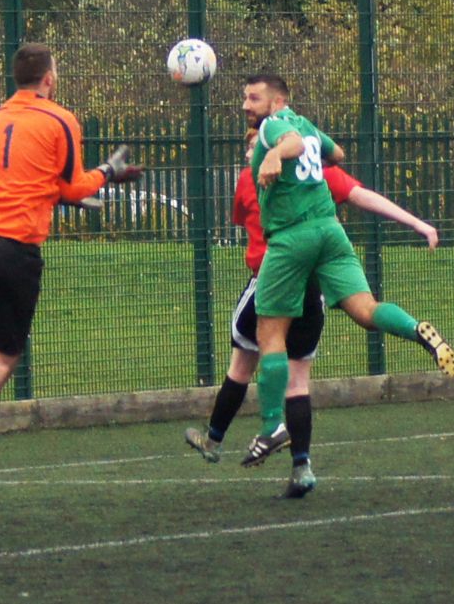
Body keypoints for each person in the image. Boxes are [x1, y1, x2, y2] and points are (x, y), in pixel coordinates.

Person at [185, 127, 440, 497]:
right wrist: (417, 223)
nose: (251, 152)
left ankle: (215, 441)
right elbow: (360, 195)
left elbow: (244, 220)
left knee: (243, 365)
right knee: (298, 379)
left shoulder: (248, 178)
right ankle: (302, 467)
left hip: (270, 281)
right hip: (312, 286)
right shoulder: (315, 174)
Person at [237, 73, 454, 469]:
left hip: (292, 238)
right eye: (245, 99)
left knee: (269, 332)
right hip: (330, 231)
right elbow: (335, 153)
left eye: (253, 98)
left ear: (276, 101)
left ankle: (271, 426)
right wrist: (306, 159)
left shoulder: (274, 127)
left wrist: (274, 154)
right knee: (367, 311)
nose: (246, 106)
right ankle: (416, 328)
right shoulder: (305, 123)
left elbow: (291, 142)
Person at [0, 42, 143, 428]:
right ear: (49, 79)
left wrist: (62, 195)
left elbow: (30, 182)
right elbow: (72, 187)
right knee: (3, 359)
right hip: (12, 248)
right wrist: (108, 171)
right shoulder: (59, 118)